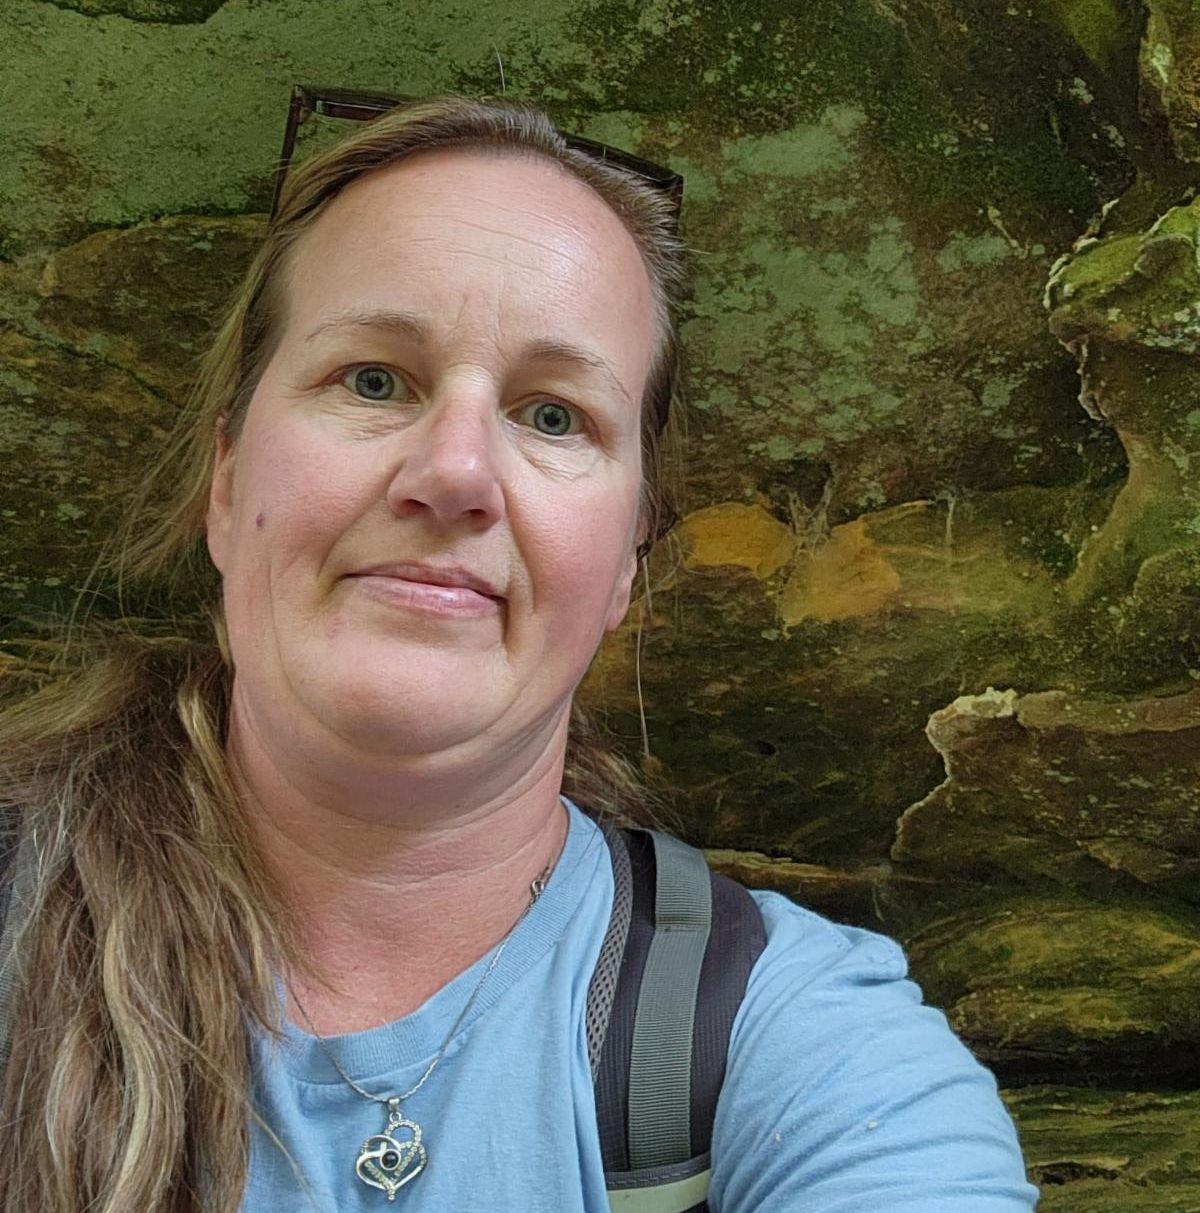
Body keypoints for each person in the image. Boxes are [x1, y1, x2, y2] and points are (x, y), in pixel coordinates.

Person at [0, 95, 1040, 1212]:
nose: (454, 473)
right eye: (373, 379)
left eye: (553, 416)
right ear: (226, 481)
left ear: (629, 558)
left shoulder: (796, 1040)